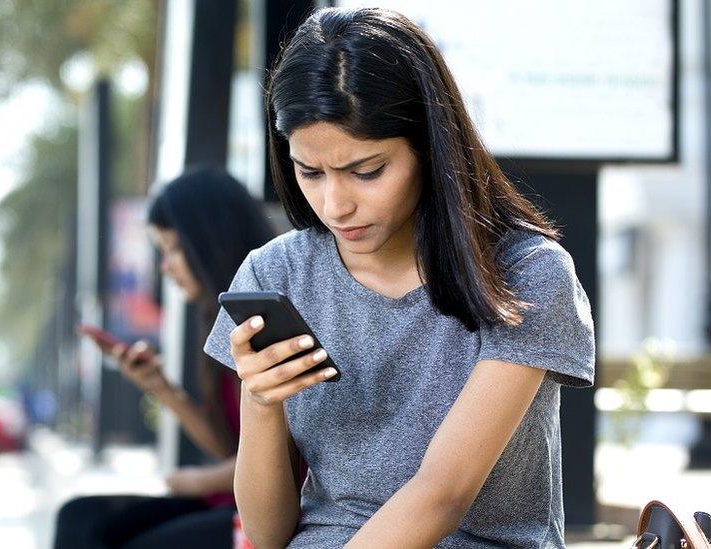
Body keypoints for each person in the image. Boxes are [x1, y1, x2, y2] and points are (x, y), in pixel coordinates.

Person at [202, 7, 595, 549]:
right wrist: (261, 402)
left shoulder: (525, 273)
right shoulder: (277, 272)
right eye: (310, 172)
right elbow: (268, 537)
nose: (335, 205)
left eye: (367, 172)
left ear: (431, 150)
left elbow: (443, 494)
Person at [54, 166, 274, 548]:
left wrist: (199, 481)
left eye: (173, 249)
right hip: (225, 504)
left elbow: (288, 460)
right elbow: (233, 449)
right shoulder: (217, 320)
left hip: (260, 519)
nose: (165, 267)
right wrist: (159, 386)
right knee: (80, 516)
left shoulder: (264, 320)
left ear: (208, 242)